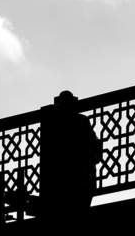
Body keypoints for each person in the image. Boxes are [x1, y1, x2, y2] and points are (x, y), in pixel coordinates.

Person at [38, 91, 102, 219]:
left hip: (61, 178)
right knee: (80, 208)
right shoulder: (82, 120)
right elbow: (94, 143)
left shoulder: (53, 124)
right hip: (82, 175)